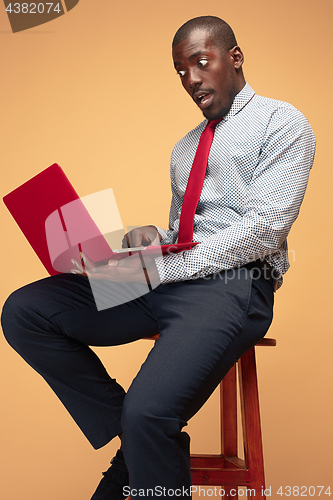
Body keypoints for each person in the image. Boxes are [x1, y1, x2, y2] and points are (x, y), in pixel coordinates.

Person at [1, 15, 315, 500]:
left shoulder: (283, 122)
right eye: (180, 71)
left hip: (234, 286)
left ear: (234, 58)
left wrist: (160, 265)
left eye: (200, 63)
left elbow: (263, 232)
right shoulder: (184, 147)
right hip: (166, 275)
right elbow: (186, 231)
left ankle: (141, 436)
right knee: (25, 311)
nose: (191, 80)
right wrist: (150, 237)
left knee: (150, 412)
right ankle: (135, 436)